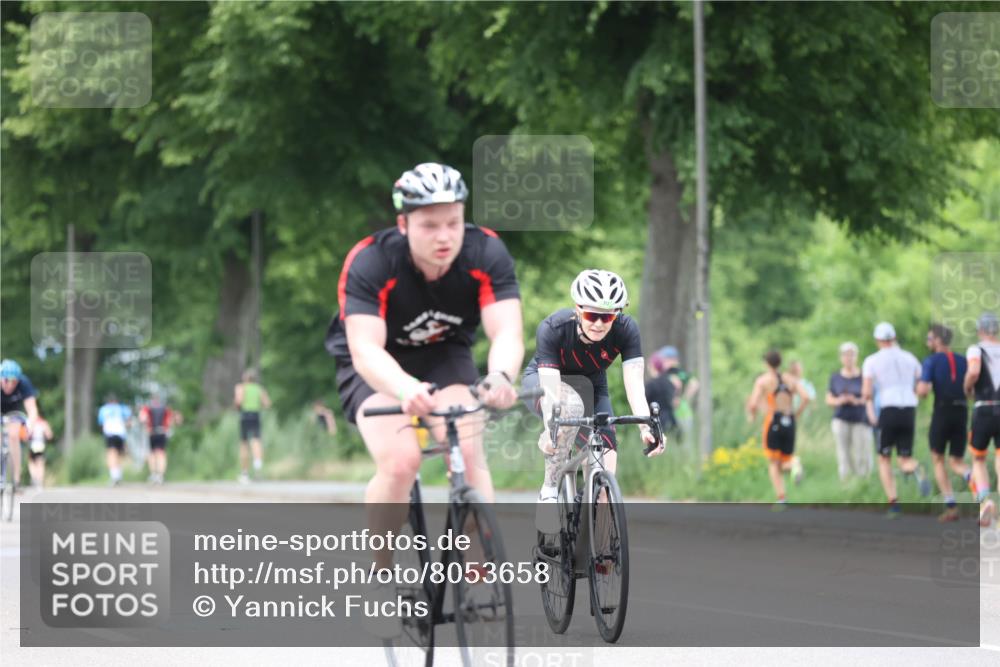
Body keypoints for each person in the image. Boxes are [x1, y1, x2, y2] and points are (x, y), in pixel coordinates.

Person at [324, 162, 524, 638]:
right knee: (401, 461)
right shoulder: (372, 261)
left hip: (445, 357)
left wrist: (499, 376)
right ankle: (379, 569)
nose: (444, 236)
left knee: (469, 448)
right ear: (403, 224)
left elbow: (507, 331)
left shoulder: (486, 251)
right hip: (375, 366)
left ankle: (478, 575)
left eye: (453, 222)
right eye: (429, 224)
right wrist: (402, 389)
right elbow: (366, 349)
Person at [521, 270, 664, 534]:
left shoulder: (626, 329)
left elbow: (634, 382)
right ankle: (549, 489)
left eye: (607, 316)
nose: (599, 323)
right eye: (591, 315)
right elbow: (552, 390)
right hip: (545, 381)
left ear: (618, 314)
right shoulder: (553, 328)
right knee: (569, 407)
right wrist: (550, 429)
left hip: (593, 386)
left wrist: (646, 427)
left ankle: (598, 549)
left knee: (606, 474)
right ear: (577, 309)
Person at [861, 322, 930, 518]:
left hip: (888, 409)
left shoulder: (872, 361)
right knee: (904, 458)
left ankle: (893, 503)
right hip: (909, 408)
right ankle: (916, 467)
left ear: (878, 340)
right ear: (894, 338)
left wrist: (871, 413)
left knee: (884, 458)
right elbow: (923, 387)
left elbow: (866, 392)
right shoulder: (910, 358)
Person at [916, 323, 972, 522]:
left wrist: (918, 391)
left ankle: (951, 507)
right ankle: (978, 484)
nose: (927, 342)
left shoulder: (930, 361)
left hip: (942, 411)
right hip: (962, 411)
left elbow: (923, 391)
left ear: (938, 341)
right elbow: (971, 390)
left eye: (930, 338)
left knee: (938, 459)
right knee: (957, 461)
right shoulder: (964, 360)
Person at [746, 350, 810, 507]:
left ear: (766, 363)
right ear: (780, 362)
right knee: (785, 459)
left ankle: (782, 498)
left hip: (773, 420)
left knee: (774, 463)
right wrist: (797, 414)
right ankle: (794, 464)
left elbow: (753, 403)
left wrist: (752, 417)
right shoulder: (791, 379)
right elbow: (806, 397)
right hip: (790, 420)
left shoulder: (763, 381)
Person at [964, 312, 1000, 527]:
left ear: (980, 330)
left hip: (984, 408)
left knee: (978, 459)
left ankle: (985, 501)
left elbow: (974, 371)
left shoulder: (976, 349)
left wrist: (967, 386)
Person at [826, 342, 873, 480]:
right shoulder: (835, 377)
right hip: (841, 418)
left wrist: (856, 400)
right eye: (846, 355)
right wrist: (839, 400)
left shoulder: (864, 376)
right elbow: (829, 399)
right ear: (841, 357)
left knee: (862, 453)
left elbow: (870, 397)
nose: (849, 358)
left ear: (856, 357)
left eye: (852, 355)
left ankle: (864, 481)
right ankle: (846, 481)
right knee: (843, 453)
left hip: (861, 418)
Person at [646, 346, 699, 444]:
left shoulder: (672, 374)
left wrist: (679, 398)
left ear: (670, 360)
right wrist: (685, 399)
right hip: (683, 413)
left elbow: (689, 384)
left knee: (679, 443)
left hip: (677, 414)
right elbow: (694, 383)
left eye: (664, 360)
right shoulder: (682, 373)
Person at [1, 359, 39, 491]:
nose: (10, 385)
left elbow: (32, 409)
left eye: (14, 382)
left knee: (13, 435)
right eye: (6, 381)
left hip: (14, 412)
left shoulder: (24, 383)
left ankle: (16, 480)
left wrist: (31, 425)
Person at [234, 369, 271, 483]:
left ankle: (244, 473)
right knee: (256, 442)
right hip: (256, 416)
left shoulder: (241, 387)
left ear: (245, 378)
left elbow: (238, 401)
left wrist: (237, 406)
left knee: (244, 444)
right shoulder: (259, 389)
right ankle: (258, 469)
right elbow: (267, 404)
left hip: (245, 416)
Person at [140, 393, 181, 484]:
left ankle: (154, 474)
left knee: (152, 454)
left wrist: (145, 425)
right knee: (161, 453)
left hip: (151, 433)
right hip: (162, 432)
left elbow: (143, 418)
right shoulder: (166, 409)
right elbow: (173, 420)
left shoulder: (147, 408)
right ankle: (160, 475)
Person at [97, 394, 132, 487]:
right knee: (119, 455)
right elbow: (129, 422)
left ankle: (114, 476)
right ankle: (118, 475)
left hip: (110, 434)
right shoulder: (122, 408)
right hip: (121, 434)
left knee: (111, 454)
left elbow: (101, 423)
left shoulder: (103, 409)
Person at [27, 412, 53, 489]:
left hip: (33, 446)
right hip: (41, 445)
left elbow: (27, 435)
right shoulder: (44, 423)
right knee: (40, 464)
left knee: (32, 463)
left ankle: (34, 478)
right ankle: (40, 481)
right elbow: (49, 435)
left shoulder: (30, 423)